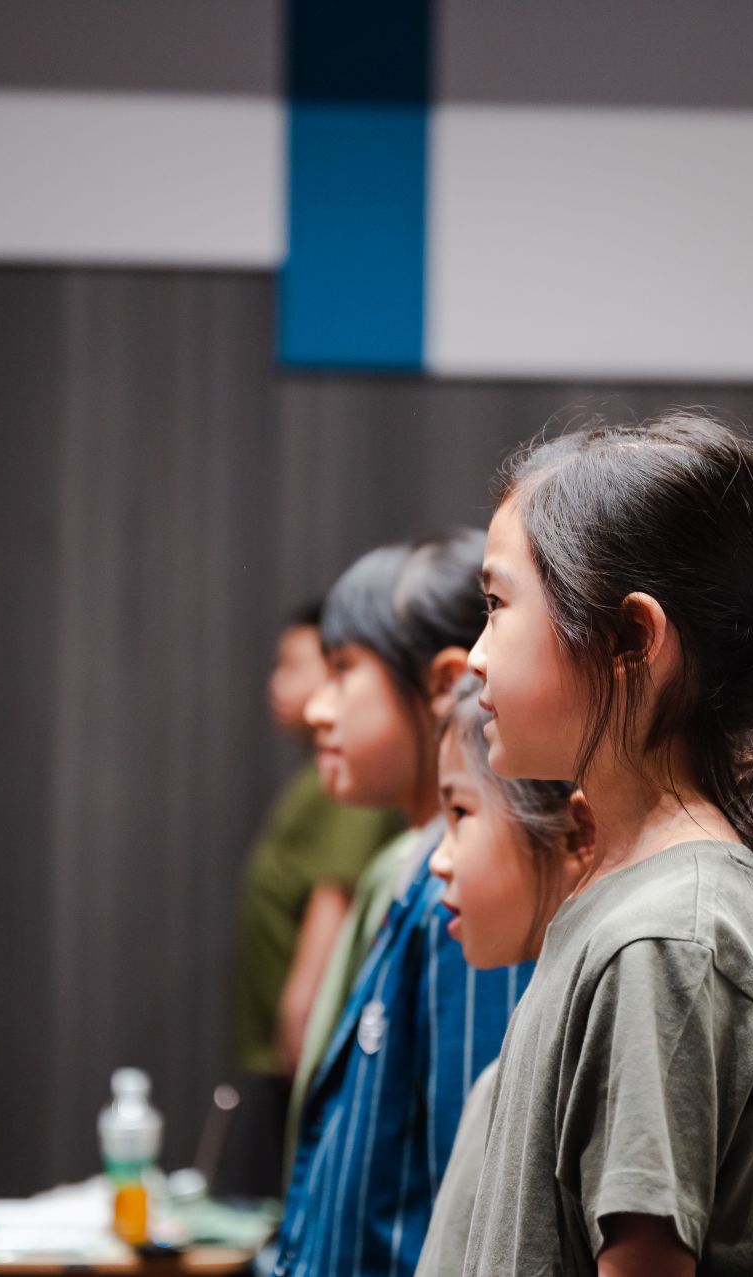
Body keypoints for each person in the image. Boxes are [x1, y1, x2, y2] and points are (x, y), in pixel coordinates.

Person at [458, 413, 753, 1276]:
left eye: (497, 605)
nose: (475, 655)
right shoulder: (633, 900)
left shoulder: (668, 939)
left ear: (633, 640)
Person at [271, 530, 530, 1277]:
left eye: (344, 670)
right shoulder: (416, 867)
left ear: (443, 682)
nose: (317, 708)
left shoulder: (467, 892)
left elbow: (469, 1189)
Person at [417, 675, 595, 1277]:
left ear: (575, 835)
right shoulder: (506, 1074)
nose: (438, 860)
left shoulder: (577, 1056)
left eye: (461, 812)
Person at [230, 603, 402, 1194]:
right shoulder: (322, 774)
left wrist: (301, 1019)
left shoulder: (346, 779)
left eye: (295, 665)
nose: (277, 683)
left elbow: (334, 896)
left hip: (309, 1045)